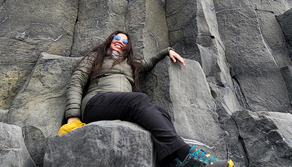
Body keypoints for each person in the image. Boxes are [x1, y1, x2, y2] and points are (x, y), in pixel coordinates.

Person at [59, 30, 234, 167]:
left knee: (160, 112)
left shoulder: (130, 64)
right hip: (95, 103)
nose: (120, 42)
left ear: (128, 46)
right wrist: (73, 116)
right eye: (116, 39)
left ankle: (175, 163)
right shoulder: (95, 57)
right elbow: (77, 82)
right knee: (139, 99)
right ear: (110, 40)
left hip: (120, 106)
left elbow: (149, 62)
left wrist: (168, 51)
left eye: (124, 41)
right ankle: (187, 153)